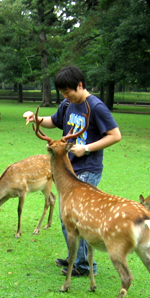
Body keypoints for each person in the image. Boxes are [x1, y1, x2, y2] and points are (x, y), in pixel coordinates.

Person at [29, 65, 122, 276]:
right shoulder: (68, 104)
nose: (65, 96)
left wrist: (87, 148)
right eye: (62, 93)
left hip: (87, 169)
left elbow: (115, 135)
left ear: (80, 85)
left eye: (67, 91)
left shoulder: (96, 107)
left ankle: (83, 265)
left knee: (76, 218)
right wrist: (36, 119)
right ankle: (76, 259)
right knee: (68, 217)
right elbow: (54, 121)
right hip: (68, 170)